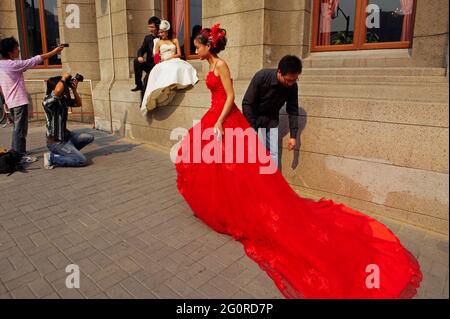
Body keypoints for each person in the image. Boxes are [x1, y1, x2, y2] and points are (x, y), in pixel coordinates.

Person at [174, 24, 422, 299]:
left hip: (229, 120)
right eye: (196, 45)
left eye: (198, 45)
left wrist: (233, 125)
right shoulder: (241, 73)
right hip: (239, 119)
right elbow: (245, 102)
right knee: (208, 161)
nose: (195, 49)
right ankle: (222, 207)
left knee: (252, 171)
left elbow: (234, 97)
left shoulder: (222, 65)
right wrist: (248, 129)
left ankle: (256, 207)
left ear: (210, 45)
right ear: (280, 73)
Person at [0, 37, 64, 163]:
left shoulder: (2, 65)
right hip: (19, 101)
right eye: (16, 49)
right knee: (20, 129)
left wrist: (5, 102)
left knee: (17, 128)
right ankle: (19, 155)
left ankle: (17, 151)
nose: (18, 51)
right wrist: (54, 52)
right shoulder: (13, 65)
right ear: (10, 52)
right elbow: (35, 60)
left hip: (11, 102)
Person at [242, 55, 302, 167]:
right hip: (254, 120)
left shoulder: (292, 86)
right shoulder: (262, 76)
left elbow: (293, 110)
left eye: (295, 80)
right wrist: (252, 128)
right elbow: (247, 103)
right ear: (279, 72)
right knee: (256, 155)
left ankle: (272, 182)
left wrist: (293, 136)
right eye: (288, 80)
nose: (291, 84)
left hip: (272, 120)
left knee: (273, 154)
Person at [140, 20, 198, 114]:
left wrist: (169, 58)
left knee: (182, 68)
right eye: (159, 32)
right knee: (169, 69)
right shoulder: (158, 42)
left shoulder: (175, 40)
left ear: (167, 31)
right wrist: (159, 60)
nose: (160, 34)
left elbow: (179, 54)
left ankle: (177, 84)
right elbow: (156, 56)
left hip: (174, 59)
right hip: (163, 62)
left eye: (162, 32)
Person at [42, 73, 94, 169]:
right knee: (81, 160)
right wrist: (63, 78)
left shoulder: (63, 99)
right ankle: (52, 158)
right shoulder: (47, 101)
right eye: (63, 86)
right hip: (56, 142)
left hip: (66, 137)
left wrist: (74, 90)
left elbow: (78, 103)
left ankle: (68, 153)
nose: (65, 88)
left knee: (89, 137)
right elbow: (57, 91)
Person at [131, 16, 161, 94]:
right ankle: (138, 84)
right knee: (136, 61)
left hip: (159, 64)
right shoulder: (147, 38)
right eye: (149, 27)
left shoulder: (163, 37)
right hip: (150, 64)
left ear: (157, 27)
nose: (150, 29)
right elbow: (141, 49)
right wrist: (140, 56)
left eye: (152, 27)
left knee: (147, 82)